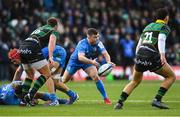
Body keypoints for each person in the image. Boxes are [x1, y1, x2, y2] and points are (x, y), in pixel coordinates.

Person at [114, 8, 176, 109]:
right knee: (171, 77)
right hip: (152, 55)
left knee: (134, 81)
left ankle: (119, 102)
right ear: (166, 18)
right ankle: (157, 100)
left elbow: (140, 42)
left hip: (140, 54)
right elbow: (161, 39)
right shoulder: (164, 27)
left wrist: (137, 56)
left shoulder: (148, 26)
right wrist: (162, 55)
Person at [10, 17, 63, 106]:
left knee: (30, 75)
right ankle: (30, 96)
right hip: (33, 46)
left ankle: (23, 100)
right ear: (56, 26)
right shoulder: (53, 31)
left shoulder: (39, 28)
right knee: (47, 74)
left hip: (22, 46)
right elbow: (52, 42)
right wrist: (50, 56)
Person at [61, 28, 115, 105]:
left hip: (87, 62)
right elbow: (80, 57)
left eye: (98, 36)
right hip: (74, 62)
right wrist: (92, 62)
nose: (97, 38)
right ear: (88, 36)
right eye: (95, 37)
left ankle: (106, 98)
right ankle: (55, 95)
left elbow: (105, 53)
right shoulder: (82, 43)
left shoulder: (98, 42)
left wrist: (108, 62)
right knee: (63, 81)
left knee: (95, 77)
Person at [9, 45, 78, 105]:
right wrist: (12, 85)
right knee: (55, 82)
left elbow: (25, 73)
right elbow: (18, 71)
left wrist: (13, 86)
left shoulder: (26, 58)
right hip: (59, 51)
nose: (14, 63)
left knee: (46, 76)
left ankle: (53, 100)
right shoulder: (24, 58)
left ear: (17, 56)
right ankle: (73, 95)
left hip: (56, 53)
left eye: (14, 60)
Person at [0, 81, 68, 105]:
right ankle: (57, 100)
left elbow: (15, 83)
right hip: (6, 97)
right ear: (19, 95)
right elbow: (24, 103)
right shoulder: (10, 99)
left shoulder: (15, 84)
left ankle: (57, 100)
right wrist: (32, 101)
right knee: (33, 97)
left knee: (36, 94)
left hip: (6, 89)